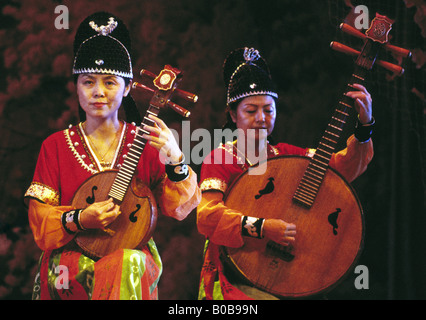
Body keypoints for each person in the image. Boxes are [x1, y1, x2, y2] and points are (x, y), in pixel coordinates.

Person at [24, 12, 200, 300]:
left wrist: (176, 161)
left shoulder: (147, 141)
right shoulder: (55, 145)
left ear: (129, 87)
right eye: (88, 82)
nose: (98, 92)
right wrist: (80, 219)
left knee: (128, 263)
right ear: (76, 87)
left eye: (110, 82)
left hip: (129, 264)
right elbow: (40, 223)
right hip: (69, 264)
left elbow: (178, 208)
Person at [196, 47, 374, 300]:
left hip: (289, 276)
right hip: (236, 273)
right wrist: (262, 227)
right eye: (251, 111)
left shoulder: (286, 156)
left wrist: (365, 126)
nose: (261, 118)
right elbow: (207, 216)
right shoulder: (221, 158)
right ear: (234, 115)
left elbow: (341, 170)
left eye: (268, 110)